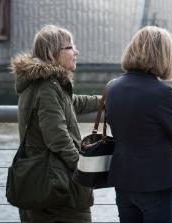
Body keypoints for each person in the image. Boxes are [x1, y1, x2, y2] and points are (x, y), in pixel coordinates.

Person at [10, 24, 101, 222]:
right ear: (52, 53)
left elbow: (71, 102)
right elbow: (57, 138)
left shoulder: (44, 84)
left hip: (40, 184)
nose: (75, 51)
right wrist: (83, 170)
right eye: (69, 47)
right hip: (58, 189)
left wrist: (104, 100)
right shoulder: (47, 87)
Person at [106, 26, 172, 223]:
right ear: (163, 55)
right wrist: (168, 141)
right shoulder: (163, 93)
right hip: (157, 183)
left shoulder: (112, 87)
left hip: (123, 180)